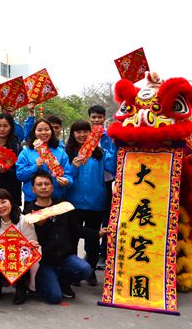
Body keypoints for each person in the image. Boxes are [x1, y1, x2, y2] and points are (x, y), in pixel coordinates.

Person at [24, 171, 107, 303]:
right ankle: (40, 282)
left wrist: (98, 233)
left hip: (65, 258)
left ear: (52, 187)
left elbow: (76, 229)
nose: (43, 187)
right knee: (54, 298)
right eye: (39, 184)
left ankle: (63, 282)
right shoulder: (29, 212)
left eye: (46, 184)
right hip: (44, 262)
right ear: (33, 189)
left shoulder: (63, 206)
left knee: (85, 270)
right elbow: (26, 240)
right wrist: (40, 225)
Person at [64, 120, 116, 286]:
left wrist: (115, 144)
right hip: (73, 203)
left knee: (92, 239)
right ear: (73, 134)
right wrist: (73, 166)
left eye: (85, 131)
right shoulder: (67, 153)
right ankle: (74, 271)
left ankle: (90, 271)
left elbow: (113, 167)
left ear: (91, 133)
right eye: (78, 132)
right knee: (72, 238)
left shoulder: (100, 153)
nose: (81, 135)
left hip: (96, 203)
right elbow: (65, 177)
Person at [0, 188, 39, 304]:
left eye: (3, 202)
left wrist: (32, 245)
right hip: (2, 261)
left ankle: (21, 287)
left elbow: (31, 240)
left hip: (19, 259)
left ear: (11, 202)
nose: (0, 206)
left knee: (25, 254)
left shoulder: (24, 220)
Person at [16, 118, 73, 209]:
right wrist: (35, 167)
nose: (43, 132)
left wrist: (67, 181)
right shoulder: (26, 152)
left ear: (51, 132)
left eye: (47, 129)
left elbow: (68, 175)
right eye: (39, 130)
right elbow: (20, 175)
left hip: (56, 199)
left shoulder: (61, 152)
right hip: (32, 201)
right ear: (34, 132)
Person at [88, 104, 116, 271]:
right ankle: (91, 252)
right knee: (92, 219)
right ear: (89, 118)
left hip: (106, 182)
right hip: (90, 182)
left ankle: (104, 252)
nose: (97, 120)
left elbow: (112, 160)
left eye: (99, 117)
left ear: (104, 118)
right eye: (94, 117)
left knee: (107, 218)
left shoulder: (110, 136)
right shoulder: (85, 135)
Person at [0, 113, 23, 208]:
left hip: (11, 189)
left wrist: (8, 170)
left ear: (11, 127)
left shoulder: (17, 146)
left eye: (5, 126)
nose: (2, 129)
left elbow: (20, 170)